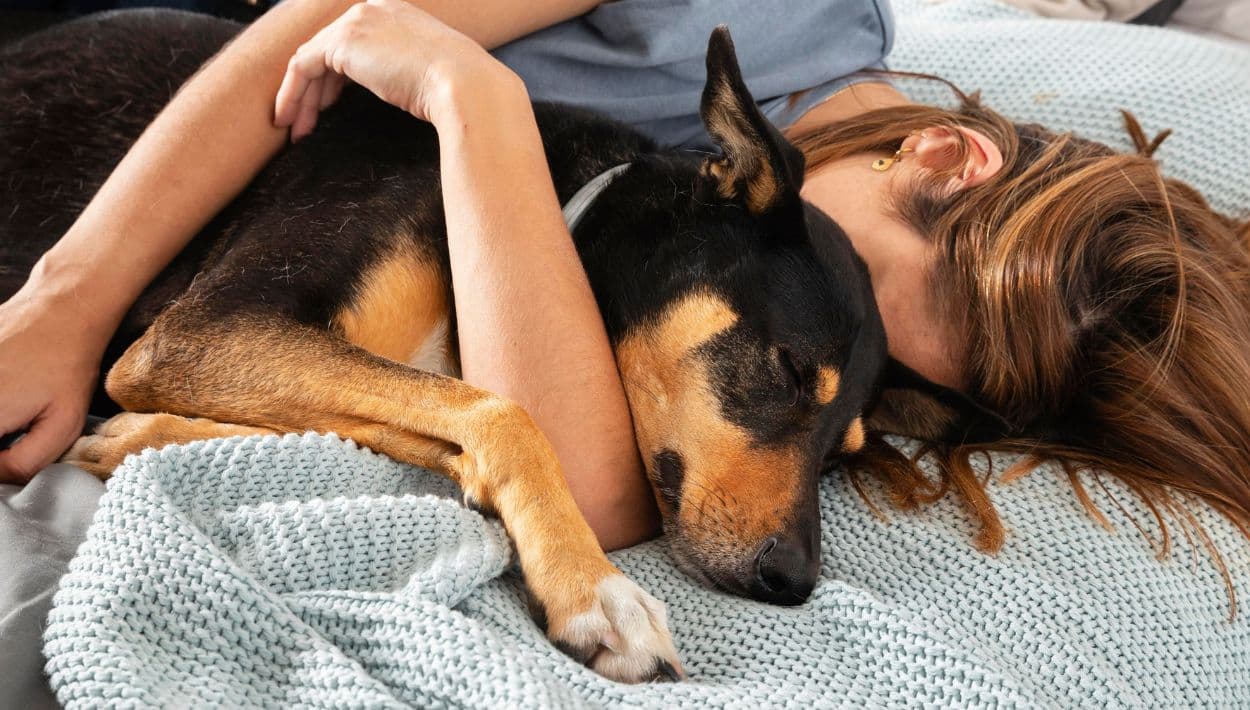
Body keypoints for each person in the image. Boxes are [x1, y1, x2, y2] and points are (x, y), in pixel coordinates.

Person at [2, 0, 1248, 561]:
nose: (850, 323)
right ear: (939, 154)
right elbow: (315, 37)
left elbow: (597, 491)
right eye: (860, 280)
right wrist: (60, 302)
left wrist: (470, 100)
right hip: (158, 91)